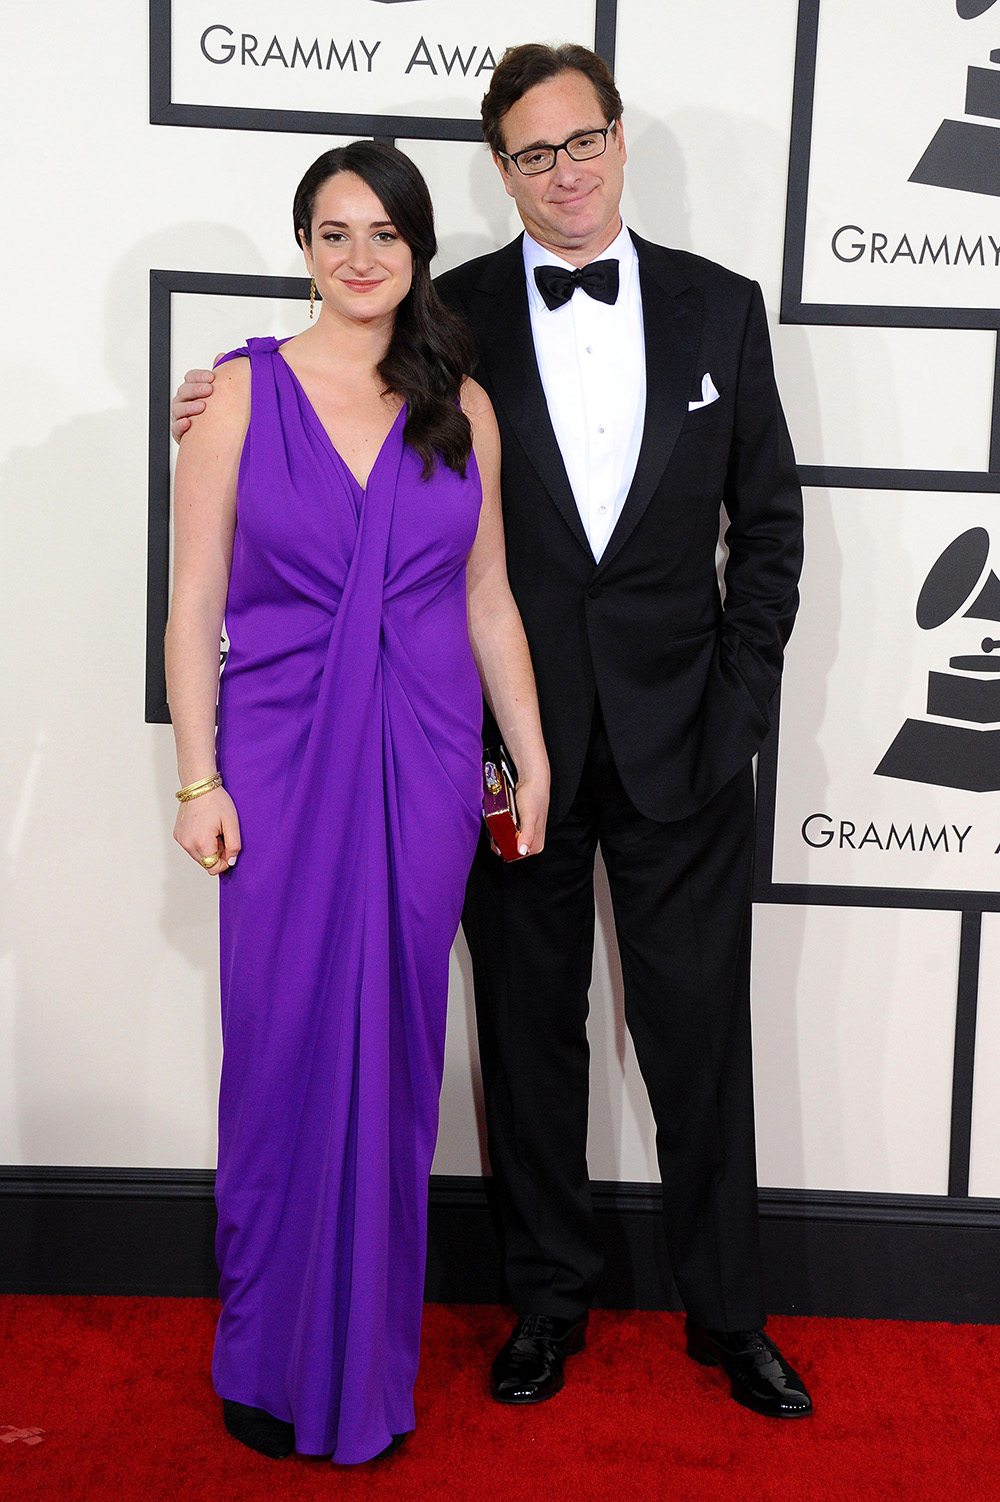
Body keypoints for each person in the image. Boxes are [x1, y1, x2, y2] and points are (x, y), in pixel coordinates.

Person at [173, 44, 810, 1419]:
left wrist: (742, 706)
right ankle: (547, 1304)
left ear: (621, 142)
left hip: (683, 740)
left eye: (582, 142)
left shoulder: (721, 310)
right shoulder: (442, 318)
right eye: (532, 154)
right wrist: (213, 401)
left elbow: (767, 531)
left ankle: (730, 1315)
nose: (565, 173)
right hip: (485, 749)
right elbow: (327, 420)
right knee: (526, 1039)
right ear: (501, 171)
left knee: (699, 1032)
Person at [164, 140, 548, 1466]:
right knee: (275, 1053)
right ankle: (266, 1357)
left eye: (384, 231)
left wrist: (532, 753)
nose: (360, 255)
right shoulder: (230, 396)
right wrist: (198, 777)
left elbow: (486, 597)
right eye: (334, 232)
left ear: (418, 245)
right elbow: (193, 608)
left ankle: (365, 1370)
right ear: (305, 247)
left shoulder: (466, 407)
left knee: (394, 1058)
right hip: (274, 763)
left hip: (428, 762)